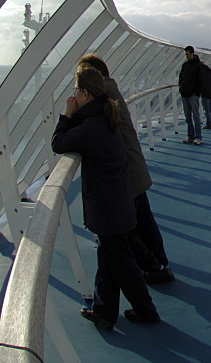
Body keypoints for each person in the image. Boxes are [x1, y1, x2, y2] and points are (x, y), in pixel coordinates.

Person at [52, 65, 161, 329]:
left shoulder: (93, 126)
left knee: (122, 264)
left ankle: (147, 312)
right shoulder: (104, 114)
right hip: (116, 202)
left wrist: (67, 115)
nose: (74, 96)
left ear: (86, 94)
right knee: (110, 259)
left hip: (108, 208)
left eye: (76, 92)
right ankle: (104, 312)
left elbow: (59, 143)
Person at [78, 53, 174, 285]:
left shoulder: (103, 97)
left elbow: (83, 129)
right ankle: (160, 263)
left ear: (96, 76)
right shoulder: (112, 91)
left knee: (124, 230)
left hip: (123, 175)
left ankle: (153, 267)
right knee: (143, 221)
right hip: (134, 169)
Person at [178, 46, 203, 145]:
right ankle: (190, 136)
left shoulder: (198, 66)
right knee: (187, 116)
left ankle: (198, 137)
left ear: (192, 53)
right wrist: (181, 87)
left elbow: (201, 80)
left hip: (193, 94)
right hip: (185, 94)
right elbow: (181, 77)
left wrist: (196, 93)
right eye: (186, 55)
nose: (186, 56)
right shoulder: (185, 65)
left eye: (188, 54)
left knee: (196, 116)